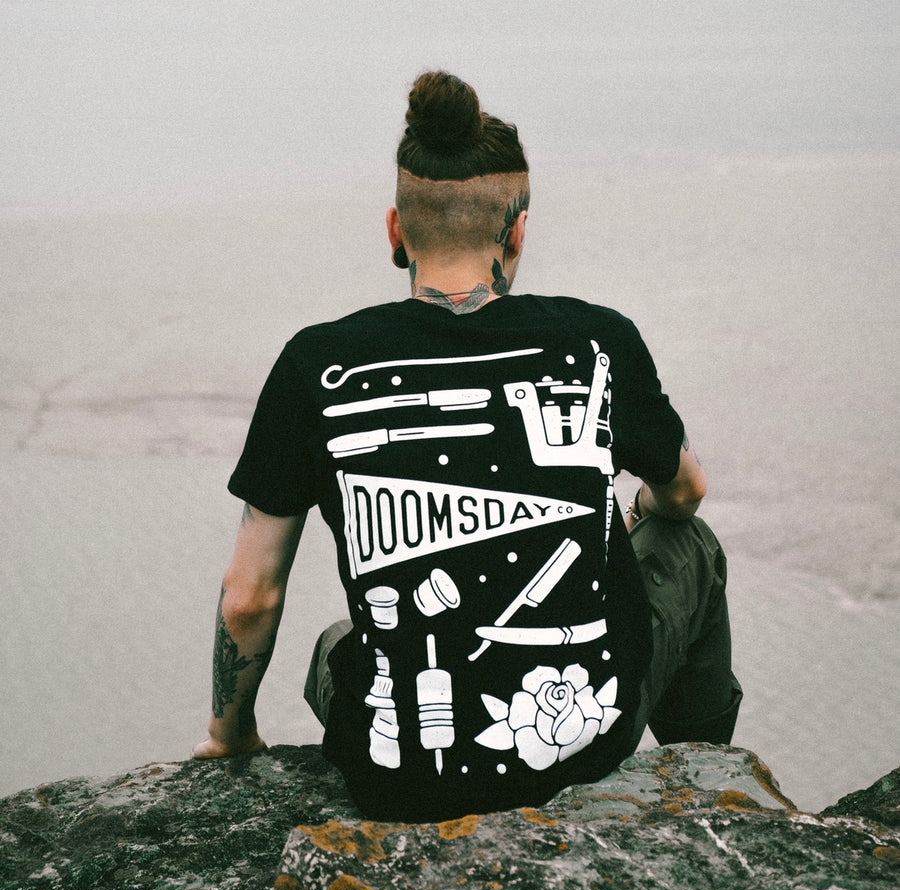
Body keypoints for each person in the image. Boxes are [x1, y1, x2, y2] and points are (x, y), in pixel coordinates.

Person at [191, 71, 742, 822]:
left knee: (337, 642)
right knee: (694, 545)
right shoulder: (598, 339)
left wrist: (230, 735)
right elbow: (688, 493)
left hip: (401, 781)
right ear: (517, 231)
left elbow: (251, 594)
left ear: (395, 231)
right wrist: (641, 506)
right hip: (587, 745)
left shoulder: (313, 364)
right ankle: (703, 783)